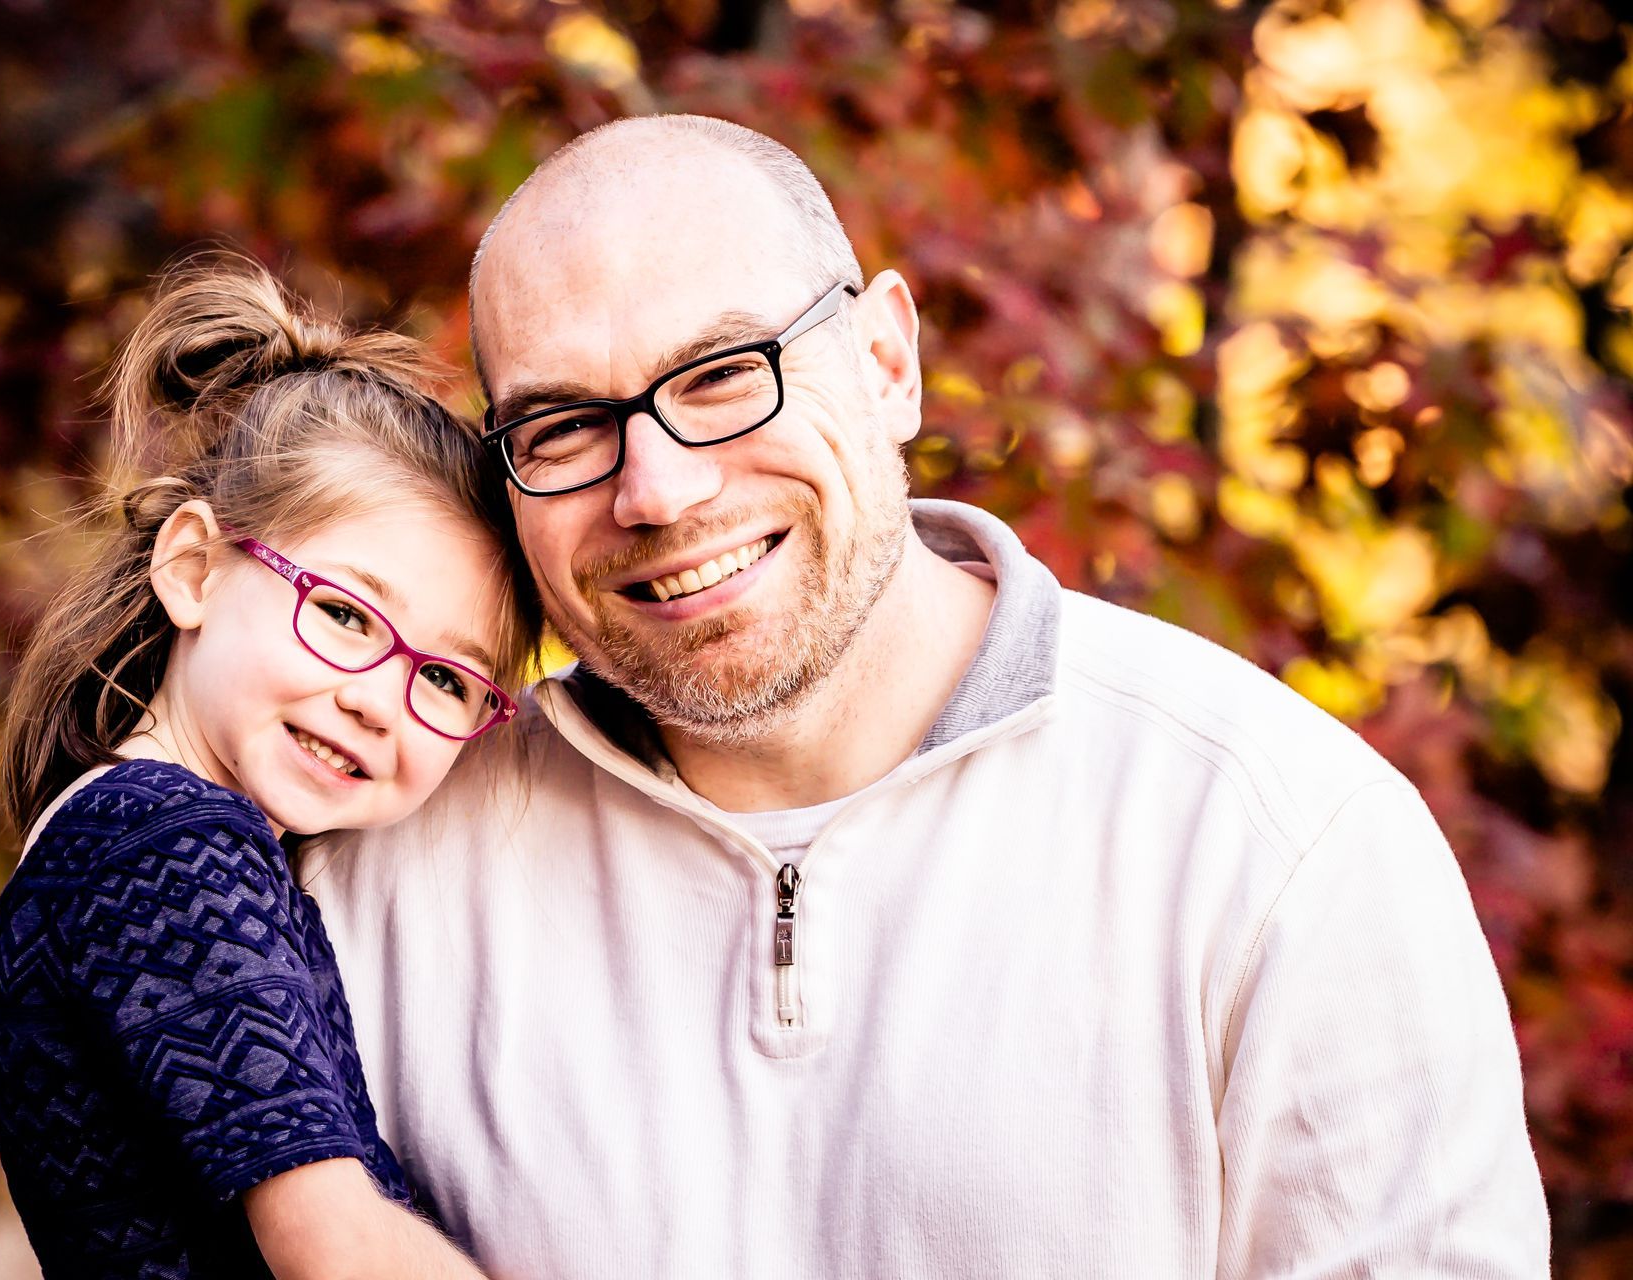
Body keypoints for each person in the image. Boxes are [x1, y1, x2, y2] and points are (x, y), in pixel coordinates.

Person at [304, 115, 1551, 1277]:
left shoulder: (1281, 845)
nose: (659, 491)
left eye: (724, 374)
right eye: (566, 425)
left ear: (888, 360)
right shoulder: (384, 868)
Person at [0, 256, 538, 1279]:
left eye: (450, 680)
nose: (378, 695)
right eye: (342, 613)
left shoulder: (121, 839)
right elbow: (331, 1244)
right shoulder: (172, 845)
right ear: (193, 566)